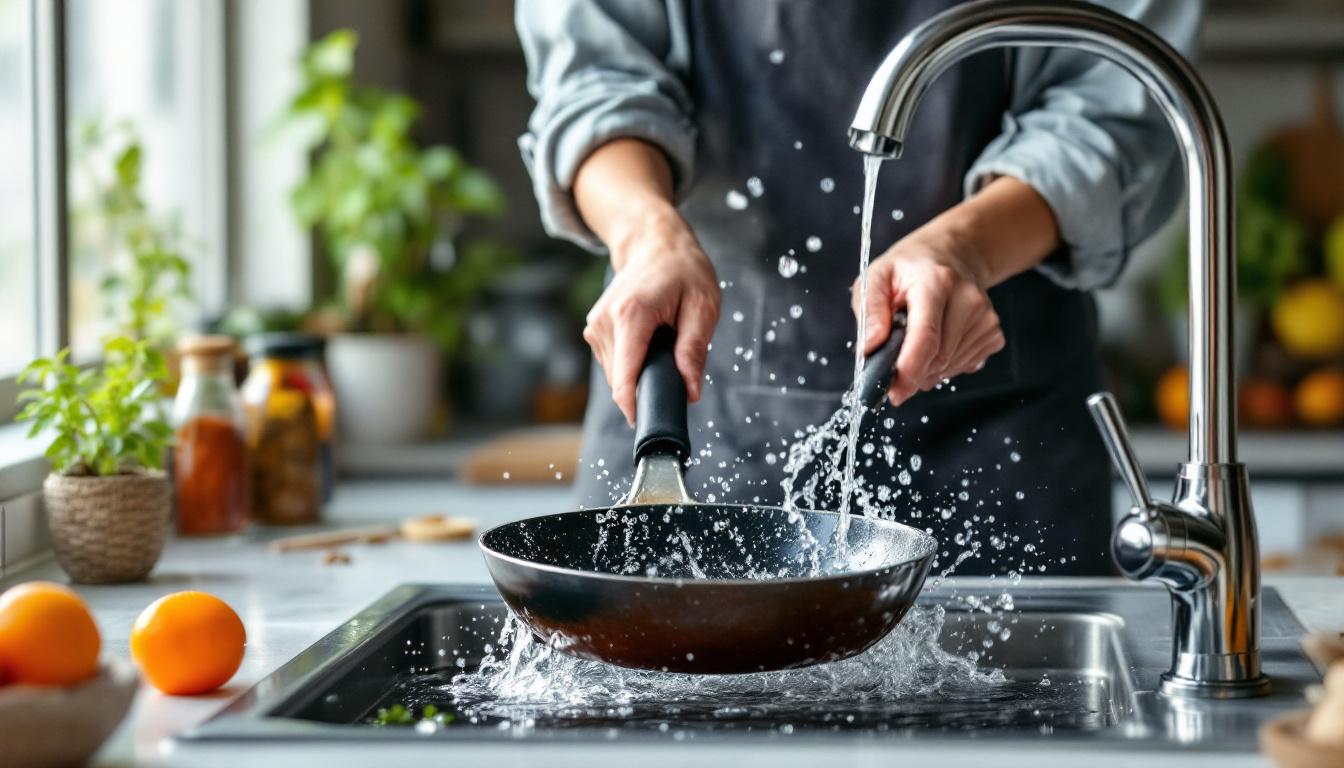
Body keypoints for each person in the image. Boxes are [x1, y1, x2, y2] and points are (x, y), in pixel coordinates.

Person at [515, 1, 1199, 575]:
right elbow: (595, 78)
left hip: (1004, 442)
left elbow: (1111, 110)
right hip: (697, 413)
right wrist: (647, 237)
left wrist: (964, 248)